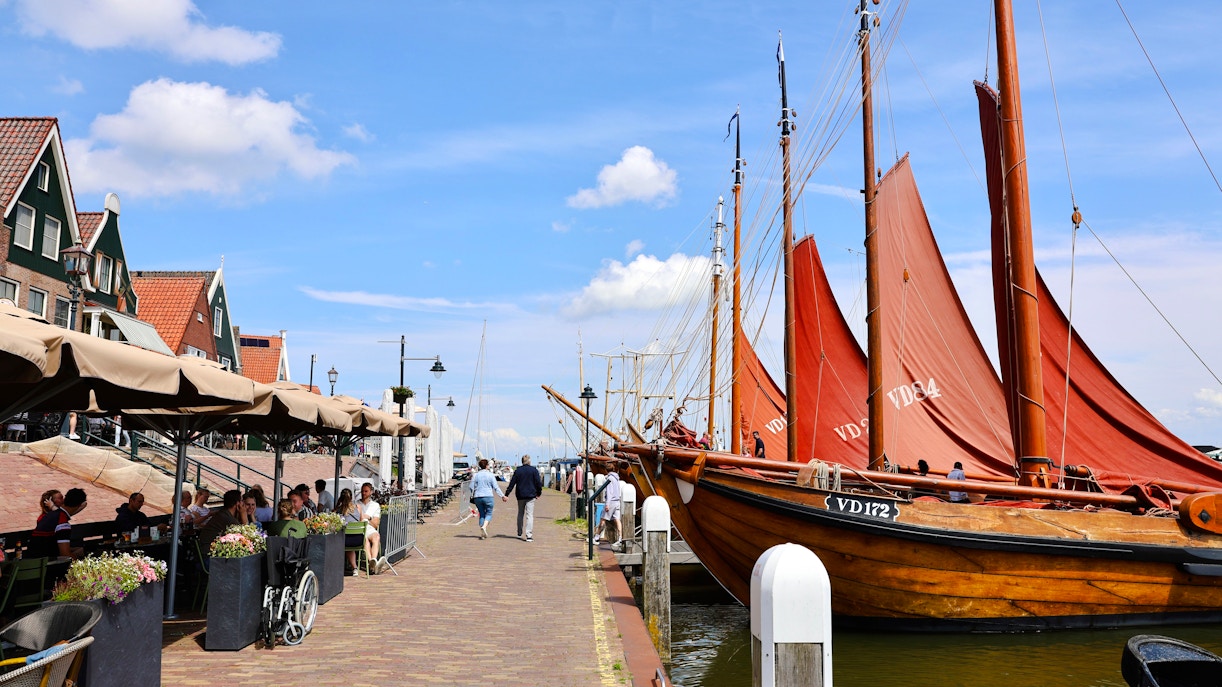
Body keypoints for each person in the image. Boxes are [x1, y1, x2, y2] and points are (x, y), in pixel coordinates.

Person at [30, 488, 87, 559]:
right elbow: (65, 555)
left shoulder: (48, 516)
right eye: (60, 498)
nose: (62, 500)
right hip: (48, 562)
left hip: (37, 558)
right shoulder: (62, 522)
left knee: (80, 550)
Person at [504, 455, 543, 542]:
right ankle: (529, 535)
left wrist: (507, 494)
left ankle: (519, 532)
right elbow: (538, 483)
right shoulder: (534, 470)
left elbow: (512, 483)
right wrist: (539, 493)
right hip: (531, 495)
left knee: (520, 513)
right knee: (529, 515)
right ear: (529, 461)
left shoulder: (518, 471)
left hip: (520, 495)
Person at [470, 458, 505, 540]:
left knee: (481, 513)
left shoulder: (476, 475)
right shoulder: (490, 475)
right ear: (486, 466)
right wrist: (502, 496)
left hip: (478, 497)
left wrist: (471, 495)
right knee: (489, 513)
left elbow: (471, 487)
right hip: (488, 496)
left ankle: (482, 533)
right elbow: (496, 487)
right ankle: (484, 527)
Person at [355, 483, 385, 572]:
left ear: (371, 492)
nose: (363, 493)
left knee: (376, 537)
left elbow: (375, 524)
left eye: (366, 491)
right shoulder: (356, 504)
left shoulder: (375, 505)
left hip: (369, 527)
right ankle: (372, 565)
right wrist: (362, 517)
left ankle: (373, 561)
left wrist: (369, 517)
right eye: (362, 491)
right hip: (360, 528)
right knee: (365, 541)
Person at [334, 488, 363, 573]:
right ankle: (354, 568)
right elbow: (361, 521)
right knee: (350, 538)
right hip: (359, 539)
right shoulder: (358, 507)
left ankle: (338, 566)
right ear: (351, 498)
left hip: (345, 541)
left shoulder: (339, 510)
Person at [599, 462, 624, 546]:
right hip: (617, 501)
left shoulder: (609, 479)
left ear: (606, 470)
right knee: (617, 520)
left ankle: (596, 537)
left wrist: (607, 504)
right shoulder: (617, 478)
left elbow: (609, 492)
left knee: (603, 519)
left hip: (611, 502)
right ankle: (620, 538)